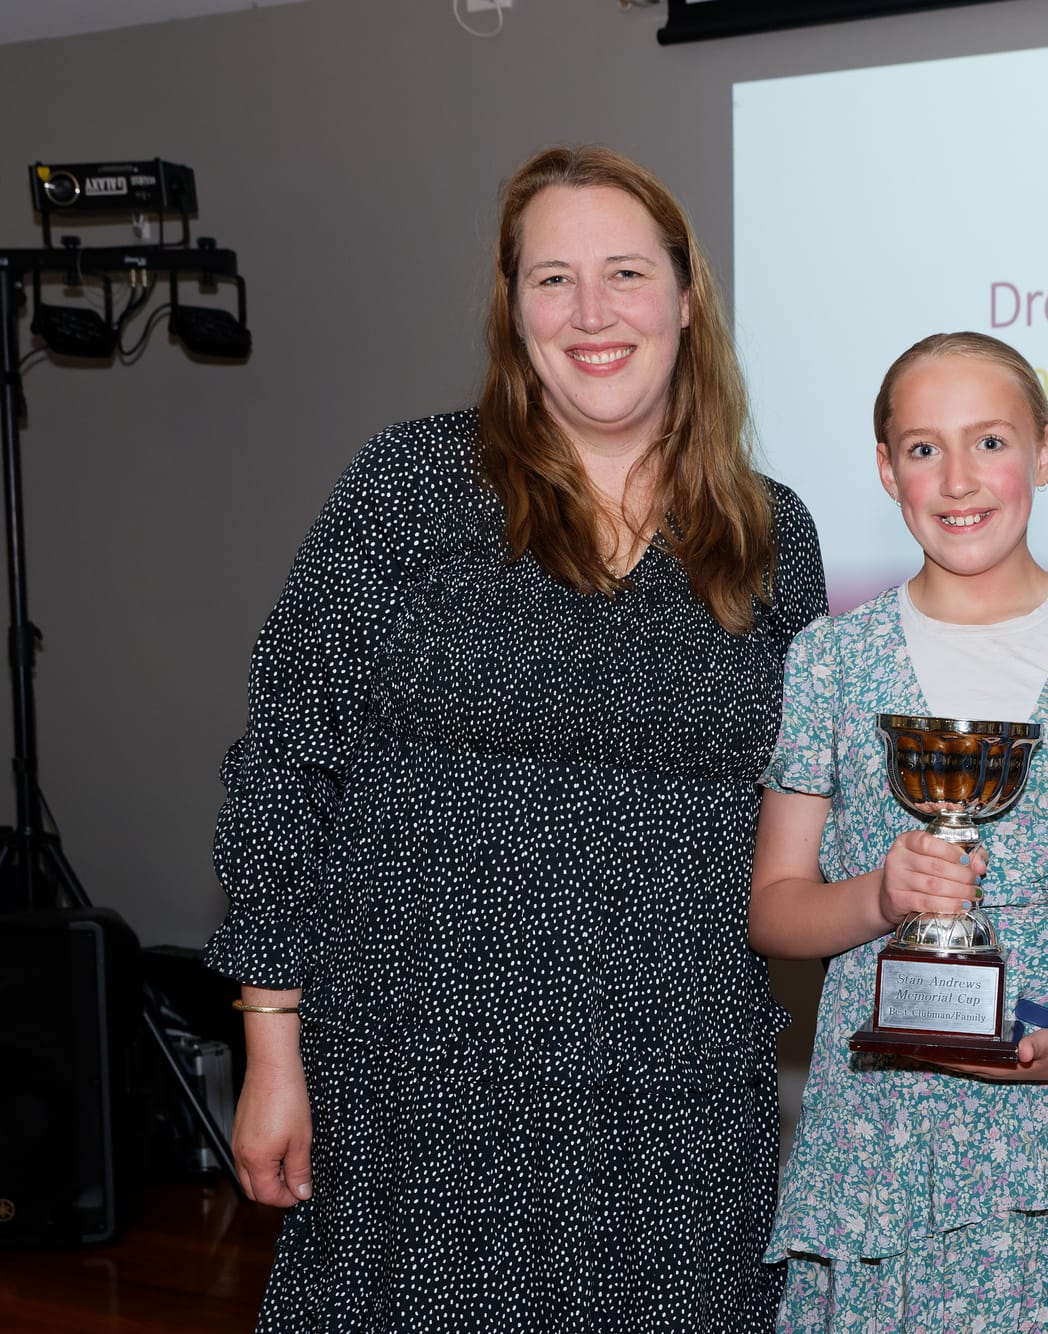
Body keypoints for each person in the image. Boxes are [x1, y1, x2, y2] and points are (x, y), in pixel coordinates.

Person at [206, 145, 826, 1330]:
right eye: (552, 279)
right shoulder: (408, 484)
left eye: (624, 274)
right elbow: (284, 758)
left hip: (674, 1097)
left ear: (685, 303)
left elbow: (805, 804)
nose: (591, 313)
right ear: (513, 310)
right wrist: (270, 1041)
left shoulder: (768, 532)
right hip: (419, 1082)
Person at [749, 331, 1048, 1329]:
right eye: (922, 448)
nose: (957, 478)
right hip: (883, 1119)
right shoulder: (829, 658)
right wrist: (881, 894)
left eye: (990, 441)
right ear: (885, 468)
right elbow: (776, 910)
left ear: (1045, 451)